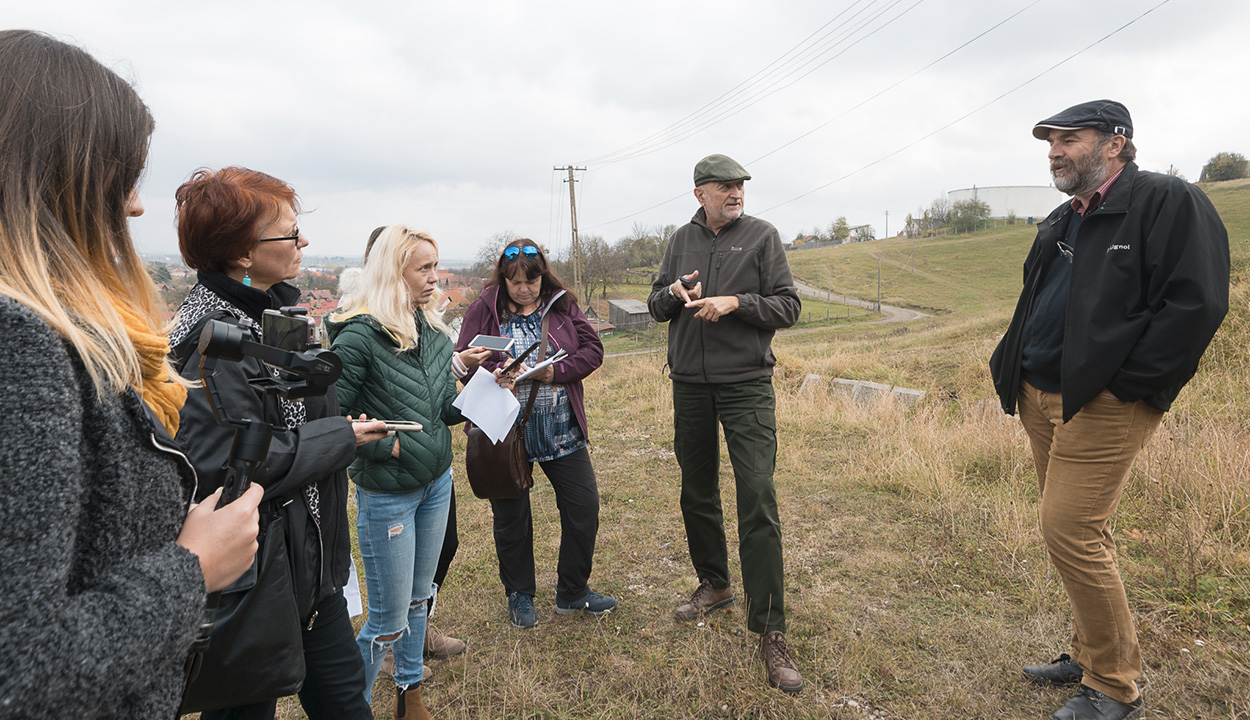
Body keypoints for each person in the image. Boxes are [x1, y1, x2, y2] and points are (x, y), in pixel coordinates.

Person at [0, 30, 262, 719]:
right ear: (56, 176)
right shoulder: (19, 345)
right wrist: (191, 571)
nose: (137, 205)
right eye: (122, 176)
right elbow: (18, 672)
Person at [990, 100, 1229, 720]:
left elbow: (1196, 304)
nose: (1054, 151)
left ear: (1115, 144)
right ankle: (1090, 652)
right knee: (1081, 531)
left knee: (1067, 529)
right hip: (1040, 394)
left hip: (1101, 401)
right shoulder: (1067, 216)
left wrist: (1126, 386)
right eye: (1050, 142)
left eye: (1069, 138)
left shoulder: (1167, 201)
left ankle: (1115, 687)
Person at [169, 167, 388, 720]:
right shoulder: (208, 338)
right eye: (290, 233)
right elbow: (228, 464)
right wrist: (339, 437)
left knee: (346, 707)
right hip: (254, 579)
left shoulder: (272, 316)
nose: (303, 242)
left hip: (310, 571)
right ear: (243, 252)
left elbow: (295, 416)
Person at [647, 154, 803, 694]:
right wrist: (673, 294)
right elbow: (655, 303)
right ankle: (714, 585)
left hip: (746, 386)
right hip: (689, 383)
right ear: (699, 194)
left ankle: (770, 630)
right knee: (696, 490)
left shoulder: (763, 236)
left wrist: (736, 302)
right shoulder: (679, 241)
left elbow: (788, 307)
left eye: (739, 186)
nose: (735, 193)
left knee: (757, 494)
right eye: (724, 186)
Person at [328, 226, 470, 720]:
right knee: (386, 619)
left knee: (417, 601)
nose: (436, 277)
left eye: (436, 265)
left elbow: (442, 408)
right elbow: (328, 424)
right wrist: (384, 447)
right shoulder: (359, 337)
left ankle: (410, 699)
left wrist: (480, 395)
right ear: (394, 272)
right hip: (388, 496)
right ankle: (354, 708)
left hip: (436, 484)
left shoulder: (430, 327)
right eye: (424, 268)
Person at [456, 239, 616, 629]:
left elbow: (592, 350)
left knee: (583, 508)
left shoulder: (561, 304)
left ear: (543, 276)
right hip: (504, 429)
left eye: (532, 280)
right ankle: (520, 595)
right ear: (504, 279)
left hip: (561, 427)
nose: (525, 288)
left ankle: (573, 591)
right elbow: (463, 359)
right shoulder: (484, 308)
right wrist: (495, 373)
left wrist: (553, 372)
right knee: (511, 517)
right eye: (515, 282)